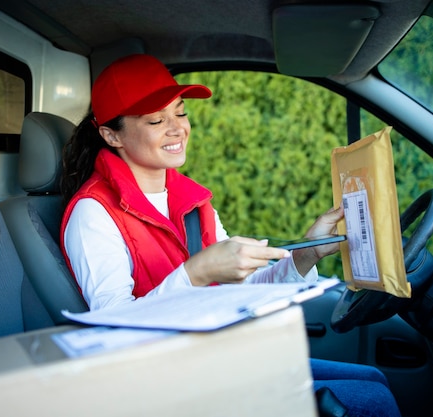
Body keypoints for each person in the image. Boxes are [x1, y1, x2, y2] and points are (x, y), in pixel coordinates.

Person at [60, 53, 401, 417]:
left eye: (181, 112)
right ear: (111, 135)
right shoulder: (93, 213)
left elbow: (240, 293)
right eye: (157, 119)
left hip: (214, 360)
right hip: (168, 386)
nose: (177, 128)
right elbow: (115, 334)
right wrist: (196, 274)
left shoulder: (192, 200)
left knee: (374, 379)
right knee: (374, 403)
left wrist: (307, 253)